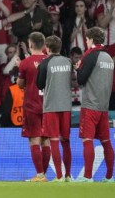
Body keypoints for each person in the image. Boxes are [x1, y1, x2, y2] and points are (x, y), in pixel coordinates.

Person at [76, 27, 115, 182]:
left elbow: (80, 80)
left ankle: (87, 177)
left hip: (90, 106)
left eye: (86, 39)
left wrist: (78, 68)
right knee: (106, 142)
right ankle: (110, 177)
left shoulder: (91, 55)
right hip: (104, 107)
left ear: (91, 39)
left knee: (87, 140)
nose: (86, 42)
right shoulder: (109, 57)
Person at [35, 36, 73, 182]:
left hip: (51, 106)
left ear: (47, 48)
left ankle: (59, 176)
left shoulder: (44, 63)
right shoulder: (68, 62)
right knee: (66, 141)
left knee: (54, 140)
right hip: (66, 106)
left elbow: (39, 85)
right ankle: (68, 175)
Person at [16, 32, 50, 182]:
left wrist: (21, 68)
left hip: (32, 105)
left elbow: (20, 84)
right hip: (49, 105)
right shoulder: (50, 61)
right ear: (43, 45)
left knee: (34, 140)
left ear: (30, 45)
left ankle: (40, 175)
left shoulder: (26, 63)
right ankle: (43, 175)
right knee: (46, 141)